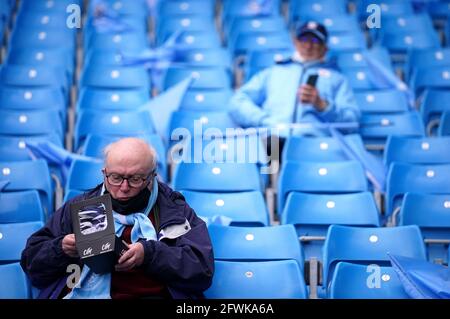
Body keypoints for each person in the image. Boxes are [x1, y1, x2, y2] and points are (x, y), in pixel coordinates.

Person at [21, 137, 214, 299]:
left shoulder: (172, 208)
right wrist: (60, 248)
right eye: (115, 177)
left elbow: (202, 270)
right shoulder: (86, 206)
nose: (123, 187)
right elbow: (31, 262)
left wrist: (150, 254)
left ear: (152, 177)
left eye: (135, 179)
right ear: (104, 173)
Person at [229, 21, 360, 153]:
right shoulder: (273, 72)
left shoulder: (337, 79)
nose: (308, 46)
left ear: (324, 48)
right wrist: (264, 120)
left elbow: (352, 121)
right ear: (295, 42)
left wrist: (323, 106)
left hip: (316, 143)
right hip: (275, 139)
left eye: (315, 40)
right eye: (304, 39)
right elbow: (237, 102)